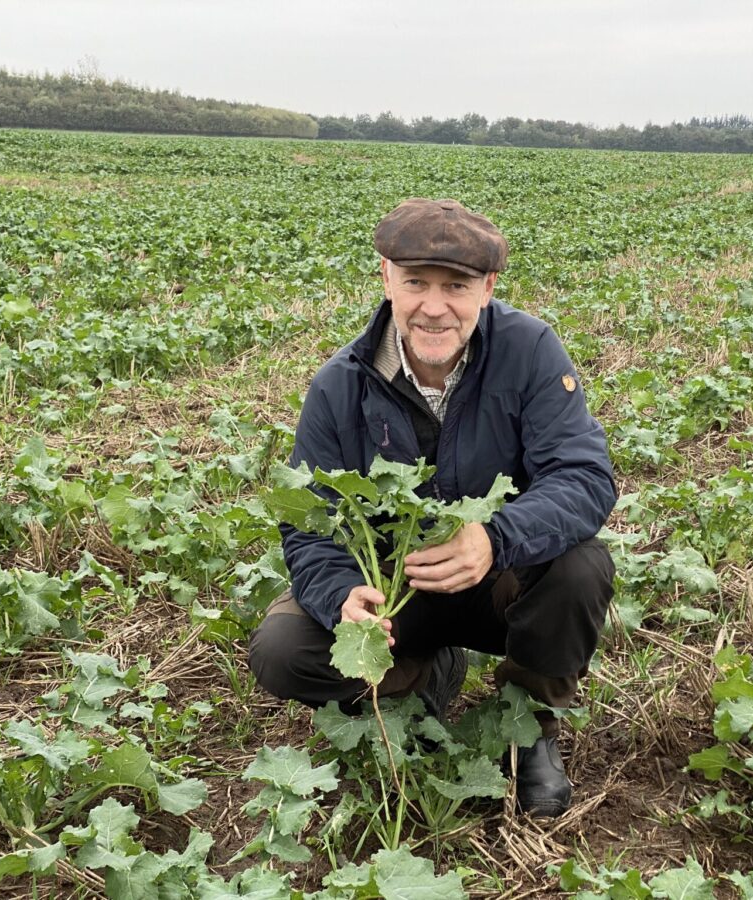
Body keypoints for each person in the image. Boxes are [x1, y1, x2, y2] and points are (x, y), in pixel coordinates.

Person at [248, 198, 617, 817]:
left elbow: (583, 477)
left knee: (580, 567)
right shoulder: (340, 384)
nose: (434, 306)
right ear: (386, 278)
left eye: (457, 286)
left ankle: (530, 726)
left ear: (488, 287)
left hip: (501, 582)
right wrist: (341, 592)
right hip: (398, 594)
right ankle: (424, 676)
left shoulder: (528, 353)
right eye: (416, 283)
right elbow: (308, 523)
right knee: (284, 648)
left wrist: (496, 538)